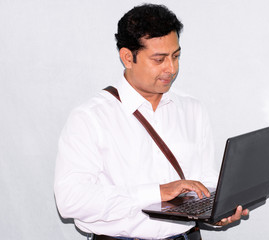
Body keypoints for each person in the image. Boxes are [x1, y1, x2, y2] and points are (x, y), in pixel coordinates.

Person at [54, 4, 249, 240]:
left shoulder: (192, 109)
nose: (172, 68)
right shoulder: (90, 117)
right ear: (128, 57)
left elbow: (204, 181)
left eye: (176, 56)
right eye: (159, 59)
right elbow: (71, 200)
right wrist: (155, 193)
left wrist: (217, 210)